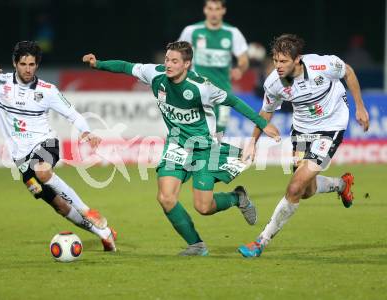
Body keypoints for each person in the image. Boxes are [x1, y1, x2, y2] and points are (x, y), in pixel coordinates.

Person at [82, 41, 280, 256]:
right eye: (167, 59)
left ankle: (237, 197)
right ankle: (196, 245)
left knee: (203, 207)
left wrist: (263, 124)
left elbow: (234, 101)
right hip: (176, 144)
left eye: (174, 61)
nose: (168, 64)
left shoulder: (202, 87)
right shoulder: (155, 74)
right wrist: (98, 63)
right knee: (165, 197)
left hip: (204, 149)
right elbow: (126, 67)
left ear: (187, 64)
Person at [0, 41, 117, 251]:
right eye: (23, 64)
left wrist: (86, 131)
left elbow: (73, 114)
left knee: (43, 171)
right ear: (15, 63)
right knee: (60, 207)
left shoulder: (47, 90)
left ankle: (86, 210)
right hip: (21, 160)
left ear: (37, 65)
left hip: (46, 143)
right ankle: (104, 233)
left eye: (32, 64)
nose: (27, 69)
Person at [238, 34, 370, 257]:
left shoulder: (322, 65)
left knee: (294, 187)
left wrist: (360, 107)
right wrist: (252, 142)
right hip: (302, 130)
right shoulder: (273, 82)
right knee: (305, 191)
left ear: (297, 59)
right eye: (276, 61)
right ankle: (341, 184)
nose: (278, 66)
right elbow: (266, 113)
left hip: (331, 126)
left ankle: (261, 241)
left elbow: (348, 71)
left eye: (283, 62)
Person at [178, 0, 249, 134]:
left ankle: (214, 153)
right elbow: (178, 54)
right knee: (199, 127)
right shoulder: (191, 31)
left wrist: (240, 69)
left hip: (223, 90)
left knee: (220, 129)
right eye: (210, 8)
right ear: (205, 10)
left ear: (223, 11)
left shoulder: (232, 32)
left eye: (217, 9)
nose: (213, 13)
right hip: (198, 88)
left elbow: (243, 59)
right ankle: (196, 153)